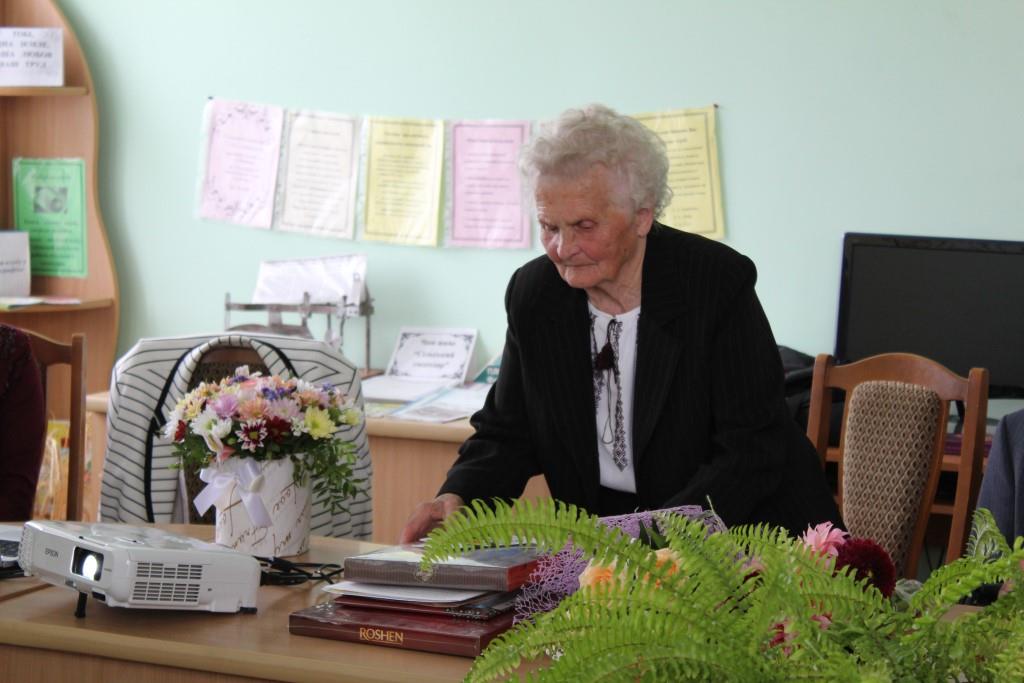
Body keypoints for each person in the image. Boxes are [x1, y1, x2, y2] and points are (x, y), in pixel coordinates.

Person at [400, 104, 841, 543]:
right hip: (614, 551)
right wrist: (460, 494)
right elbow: (508, 431)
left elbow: (751, 449)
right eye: (549, 226)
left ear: (642, 216)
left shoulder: (713, 283)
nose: (562, 248)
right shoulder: (535, 296)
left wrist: (652, 543)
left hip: (748, 538)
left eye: (584, 226)